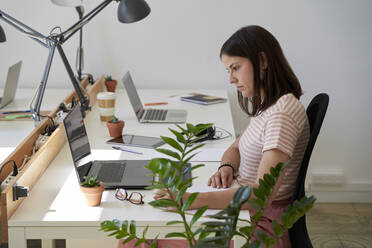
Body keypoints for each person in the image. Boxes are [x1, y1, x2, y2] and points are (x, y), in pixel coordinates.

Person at [120, 25, 310, 248]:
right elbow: (235, 148)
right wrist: (226, 167)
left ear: (262, 61)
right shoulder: (269, 108)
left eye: (236, 68)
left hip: (258, 229)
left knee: (136, 241)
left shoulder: (282, 115)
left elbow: (260, 196)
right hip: (243, 215)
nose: (231, 78)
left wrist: (190, 201)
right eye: (228, 70)